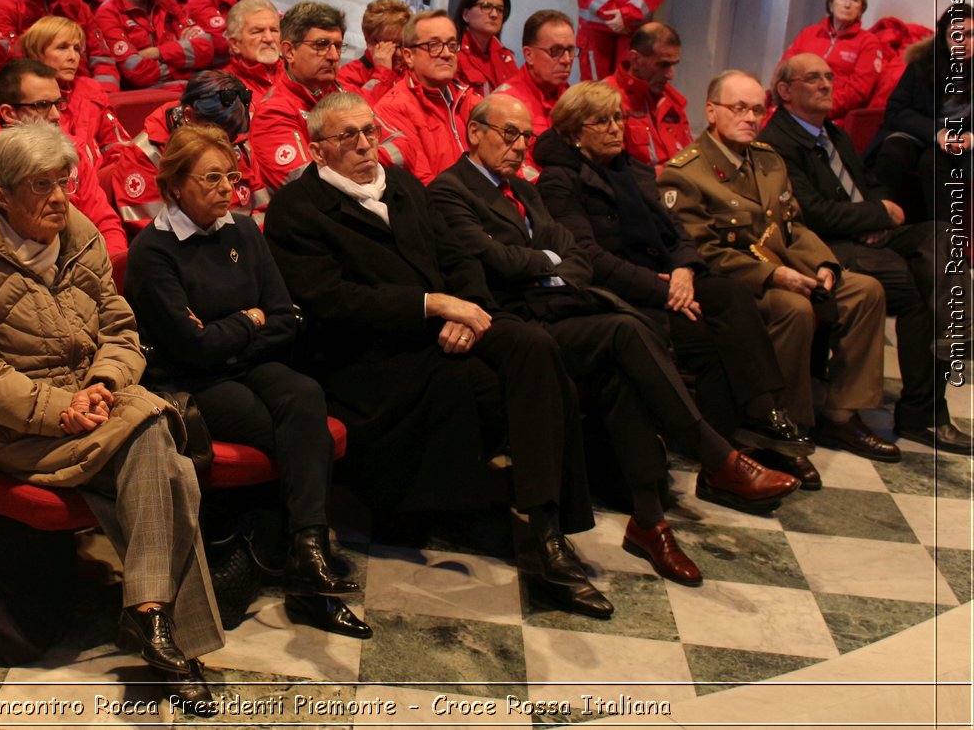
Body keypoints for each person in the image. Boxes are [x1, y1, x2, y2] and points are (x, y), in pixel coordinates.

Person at [265, 91, 608, 616]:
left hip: (445, 329)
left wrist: (467, 311)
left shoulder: (402, 185)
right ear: (317, 151)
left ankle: (547, 529)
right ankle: (539, 541)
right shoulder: (297, 208)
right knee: (502, 388)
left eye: (370, 132)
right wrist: (432, 306)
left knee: (534, 348)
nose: (363, 145)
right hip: (370, 357)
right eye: (347, 137)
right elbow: (330, 300)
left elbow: (458, 255)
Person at [433, 95, 797, 585]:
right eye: (508, 134)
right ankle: (715, 460)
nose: (520, 146)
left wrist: (547, 265)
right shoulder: (449, 191)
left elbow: (575, 255)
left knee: (626, 360)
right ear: (475, 132)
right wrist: (550, 265)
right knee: (626, 330)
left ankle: (651, 520)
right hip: (515, 324)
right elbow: (497, 261)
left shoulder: (524, 189)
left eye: (525, 136)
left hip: (558, 311)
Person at [0, 123, 223, 712]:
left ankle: (150, 619)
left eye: (64, 182)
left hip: (98, 406)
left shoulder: (80, 234)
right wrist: (57, 410)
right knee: (168, 458)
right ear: (2, 194)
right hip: (22, 429)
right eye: (41, 186)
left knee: (159, 454)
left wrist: (101, 382)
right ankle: (170, 636)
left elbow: (120, 329)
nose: (60, 198)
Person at [126, 123, 367, 636]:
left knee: (305, 395)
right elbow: (191, 347)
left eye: (231, 177)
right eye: (211, 179)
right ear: (175, 186)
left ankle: (305, 549)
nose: (226, 189)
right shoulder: (155, 251)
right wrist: (248, 320)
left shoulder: (243, 230)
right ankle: (299, 569)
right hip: (190, 381)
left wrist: (235, 329)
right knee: (292, 429)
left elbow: (283, 316)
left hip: (246, 363)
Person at [533, 82, 813, 467]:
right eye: (601, 121)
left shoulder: (633, 168)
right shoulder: (560, 179)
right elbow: (588, 256)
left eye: (618, 118)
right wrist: (660, 290)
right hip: (619, 290)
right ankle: (719, 454)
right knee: (704, 336)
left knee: (730, 295)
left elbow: (677, 230)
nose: (615, 128)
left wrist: (683, 269)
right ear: (573, 131)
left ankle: (759, 414)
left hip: (669, 278)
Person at [659, 70, 897, 468]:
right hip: (738, 281)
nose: (750, 117)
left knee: (865, 290)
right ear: (711, 111)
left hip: (788, 268)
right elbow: (705, 252)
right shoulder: (685, 173)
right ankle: (785, 424)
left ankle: (840, 412)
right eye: (739, 108)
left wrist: (825, 265)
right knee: (794, 308)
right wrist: (774, 275)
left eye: (757, 109)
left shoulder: (769, 161)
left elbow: (793, 227)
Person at [761, 55, 970, 453]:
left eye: (828, 76)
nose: (826, 84)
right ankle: (919, 413)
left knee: (942, 238)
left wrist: (882, 214)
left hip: (871, 234)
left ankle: (959, 331)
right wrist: (873, 216)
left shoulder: (833, 134)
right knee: (916, 290)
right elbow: (812, 212)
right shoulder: (779, 143)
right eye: (813, 79)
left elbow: (873, 183)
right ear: (785, 91)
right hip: (829, 245)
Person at [0, 60, 130, 260]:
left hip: (83, 270)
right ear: (9, 113)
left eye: (58, 104)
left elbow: (105, 223)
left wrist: (109, 269)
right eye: (42, 105)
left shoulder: (72, 151)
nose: (55, 116)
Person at [108, 71, 264, 230]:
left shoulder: (234, 138)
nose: (226, 144)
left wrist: (254, 245)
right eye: (217, 134)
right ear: (189, 116)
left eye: (230, 136)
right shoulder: (145, 155)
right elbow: (154, 233)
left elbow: (262, 210)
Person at [252, 1, 375, 191]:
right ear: (289, 51)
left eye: (338, 45)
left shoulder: (347, 93)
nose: (334, 56)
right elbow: (306, 185)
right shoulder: (273, 112)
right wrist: (362, 166)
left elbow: (400, 145)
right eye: (322, 45)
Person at [874, 1, 971, 218]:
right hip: (918, 133)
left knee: (933, 163)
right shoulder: (923, 64)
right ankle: (875, 221)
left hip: (958, 143)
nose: (963, 42)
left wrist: (969, 138)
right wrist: (938, 133)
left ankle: (943, 238)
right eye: (955, 35)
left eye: (970, 34)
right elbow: (895, 111)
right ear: (943, 39)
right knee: (892, 153)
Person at [375, 10, 480, 183]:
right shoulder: (393, 108)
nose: (447, 54)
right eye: (434, 45)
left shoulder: (467, 99)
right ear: (409, 56)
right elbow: (422, 183)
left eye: (452, 45)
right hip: (442, 206)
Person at [778, 0, 888, 138]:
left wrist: (820, 106)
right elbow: (784, 69)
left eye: (855, 0)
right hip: (794, 104)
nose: (847, 4)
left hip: (831, 111)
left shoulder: (868, 42)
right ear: (831, 4)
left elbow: (858, 91)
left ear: (861, 9)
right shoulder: (809, 33)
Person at [18, 16, 131, 167]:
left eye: (76, 49)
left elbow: (117, 145)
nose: (73, 57)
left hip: (99, 182)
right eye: (62, 47)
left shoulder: (90, 89)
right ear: (36, 53)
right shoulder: (21, 97)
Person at [93, 0, 208, 88]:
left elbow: (206, 48)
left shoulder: (166, 1)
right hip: (145, 95)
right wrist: (181, 61)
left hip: (185, 87)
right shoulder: (108, 13)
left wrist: (157, 53)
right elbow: (137, 73)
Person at [497, 9, 576, 180]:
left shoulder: (574, 100)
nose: (566, 60)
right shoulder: (504, 103)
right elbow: (509, 168)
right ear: (529, 55)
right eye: (555, 51)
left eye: (570, 50)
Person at [604, 21, 692, 170]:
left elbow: (690, 159)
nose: (670, 75)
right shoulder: (604, 100)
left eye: (673, 65)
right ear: (636, 60)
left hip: (676, 188)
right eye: (663, 65)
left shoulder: (673, 101)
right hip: (636, 191)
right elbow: (611, 172)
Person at [453, 0, 519, 95]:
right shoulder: (453, 54)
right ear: (466, 14)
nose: (494, 14)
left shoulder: (506, 57)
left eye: (499, 9)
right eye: (486, 7)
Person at [339, 0, 410, 99]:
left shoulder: (412, 69)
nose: (399, 53)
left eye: (403, 44)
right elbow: (363, 112)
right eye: (391, 45)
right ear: (369, 40)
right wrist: (383, 73)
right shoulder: (347, 77)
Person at [222, 0, 283, 103]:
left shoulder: (300, 75)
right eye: (257, 31)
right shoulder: (221, 87)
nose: (269, 38)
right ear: (235, 44)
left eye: (274, 30)